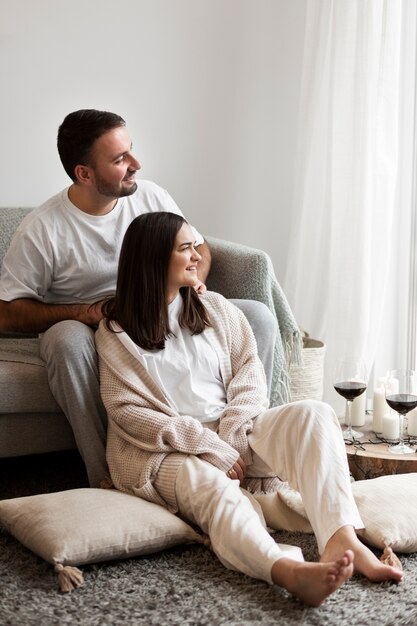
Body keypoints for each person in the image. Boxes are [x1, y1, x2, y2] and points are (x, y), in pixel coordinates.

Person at [95, 211, 403, 607]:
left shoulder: (217, 309)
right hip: (169, 451)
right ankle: (286, 570)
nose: (197, 255)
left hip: (234, 430)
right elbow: (129, 412)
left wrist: (231, 435)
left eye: (195, 245)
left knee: (315, 413)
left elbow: (249, 374)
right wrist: (208, 446)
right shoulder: (116, 332)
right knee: (216, 490)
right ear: (153, 259)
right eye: (185, 248)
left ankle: (341, 539)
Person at [0, 109, 276, 488]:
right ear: (84, 173)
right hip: (96, 325)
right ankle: (107, 477)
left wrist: (193, 283)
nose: (136, 164)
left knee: (257, 314)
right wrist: (83, 312)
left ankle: (250, 447)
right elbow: (7, 313)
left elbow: (200, 248)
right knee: (66, 341)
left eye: (131, 151)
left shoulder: (151, 195)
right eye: (119, 159)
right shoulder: (43, 229)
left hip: (163, 308)